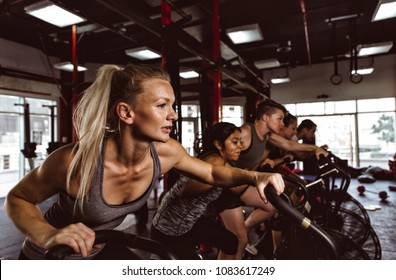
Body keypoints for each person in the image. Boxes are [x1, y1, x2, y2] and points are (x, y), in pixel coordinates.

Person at [4, 64, 284, 260]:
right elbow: (17, 198)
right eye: (162, 105)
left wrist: (254, 177)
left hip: (99, 251)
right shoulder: (76, 161)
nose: (173, 115)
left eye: (172, 106)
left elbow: (212, 171)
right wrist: (48, 235)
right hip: (48, 257)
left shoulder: (166, 153)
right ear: (126, 112)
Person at [213, 99, 329, 257]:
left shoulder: (268, 136)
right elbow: (220, 154)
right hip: (226, 189)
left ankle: (246, 227)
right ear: (265, 118)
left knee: (271, 206)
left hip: (243, 185)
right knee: (238, 241)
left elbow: (289, 145)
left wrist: (315, 148)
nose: (282, 124)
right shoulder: (246, 132)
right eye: (279, 119)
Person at [151, 122, 247, 259]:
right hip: (171, 229)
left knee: (231, 242)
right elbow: (186, 190)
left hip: (188, 223)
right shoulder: (215, 161)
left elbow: (235, 188)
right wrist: (214, 180)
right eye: (235, 142)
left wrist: (255, 178)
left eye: (240, 142)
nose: (240, 146)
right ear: (218, 144)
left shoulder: (220, 161)